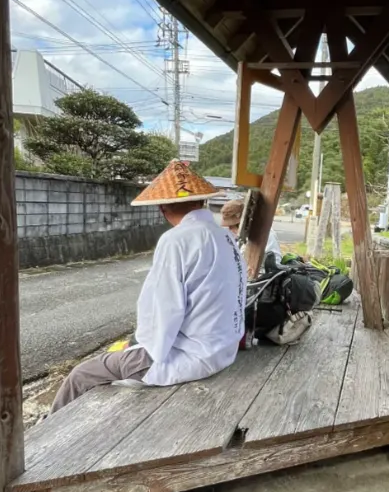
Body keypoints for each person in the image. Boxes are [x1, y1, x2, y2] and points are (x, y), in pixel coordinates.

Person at [50, 161, 246, 412]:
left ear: (162, 207)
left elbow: (165, 309)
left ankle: (44, 444)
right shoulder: (226, 237)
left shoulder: (176, 240)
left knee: (81, 374)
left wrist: (139, 347)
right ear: (202, 202)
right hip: (223, 352)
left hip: (190, 358)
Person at [220, 198, 282, 267]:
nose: (229, 229)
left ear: (242, 224)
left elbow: (275, 261)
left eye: (231, 226)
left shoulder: (265, 234)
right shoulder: (234, 237)